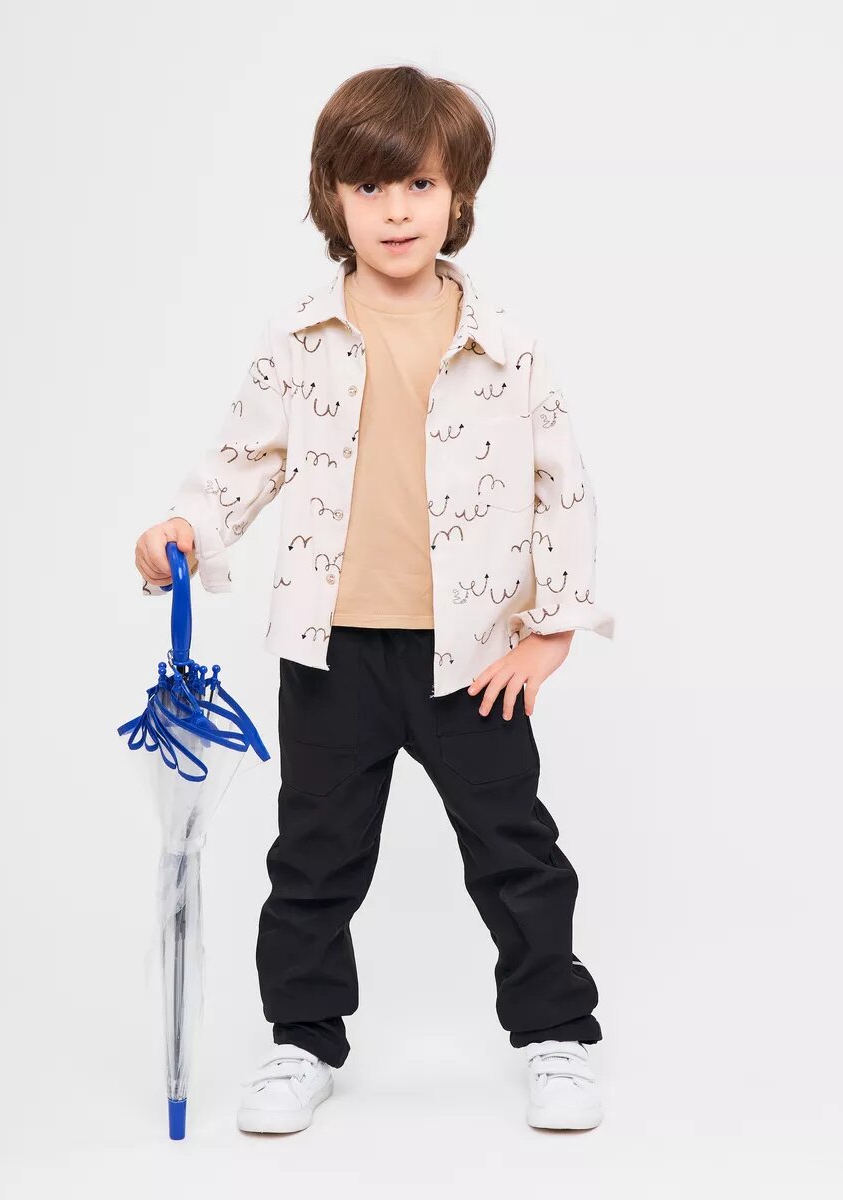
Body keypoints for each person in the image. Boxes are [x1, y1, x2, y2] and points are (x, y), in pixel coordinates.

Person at [135, 65, 615, 1135]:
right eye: (369, 187)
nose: (396, 211)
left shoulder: (506, 343)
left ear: (459, 197)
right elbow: (244, 461)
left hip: (471, 657)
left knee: (515, 850)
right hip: (333, 651)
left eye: (420, 186)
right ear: (332, 198)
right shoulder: (299, 337)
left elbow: (563, 487)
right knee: (314, 856)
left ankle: (557, 1035)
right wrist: (184, 531)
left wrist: (551, 634)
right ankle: (301, 1040)